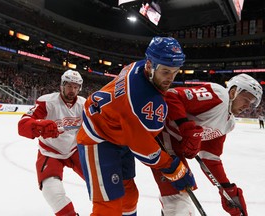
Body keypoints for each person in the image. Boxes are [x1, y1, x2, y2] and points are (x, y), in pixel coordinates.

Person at [76, 36, 196, 216]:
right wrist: (175, 170)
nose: (170, 79)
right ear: (150, 66)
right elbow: (147, 152)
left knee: (130, 196)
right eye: (165, 72)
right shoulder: (139, 102)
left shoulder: (138, 66)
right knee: (109, 208)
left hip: (118, 130)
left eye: (175, 72)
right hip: (99, 138)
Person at [152, 73, 263, 216]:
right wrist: (185, 126)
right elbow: (172, 96)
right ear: (234, 91)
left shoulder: (228, 123)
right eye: (246, 99)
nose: (248, 106)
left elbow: (210, 157)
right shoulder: (219, 95)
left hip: (173, 145)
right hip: (159, 133)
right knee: (179, 202)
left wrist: (226, 188)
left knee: (180, 195)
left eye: (251, 103)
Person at [18, 70, 86, 216]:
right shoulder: (47, 101)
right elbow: (22, 125)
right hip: (50, 152)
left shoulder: (84, 104)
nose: (72, 90)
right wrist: (39, 126)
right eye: (69, 86)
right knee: (52, 192)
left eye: (76, 87)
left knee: (100, 182)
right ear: (62, 85)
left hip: (75, 150)